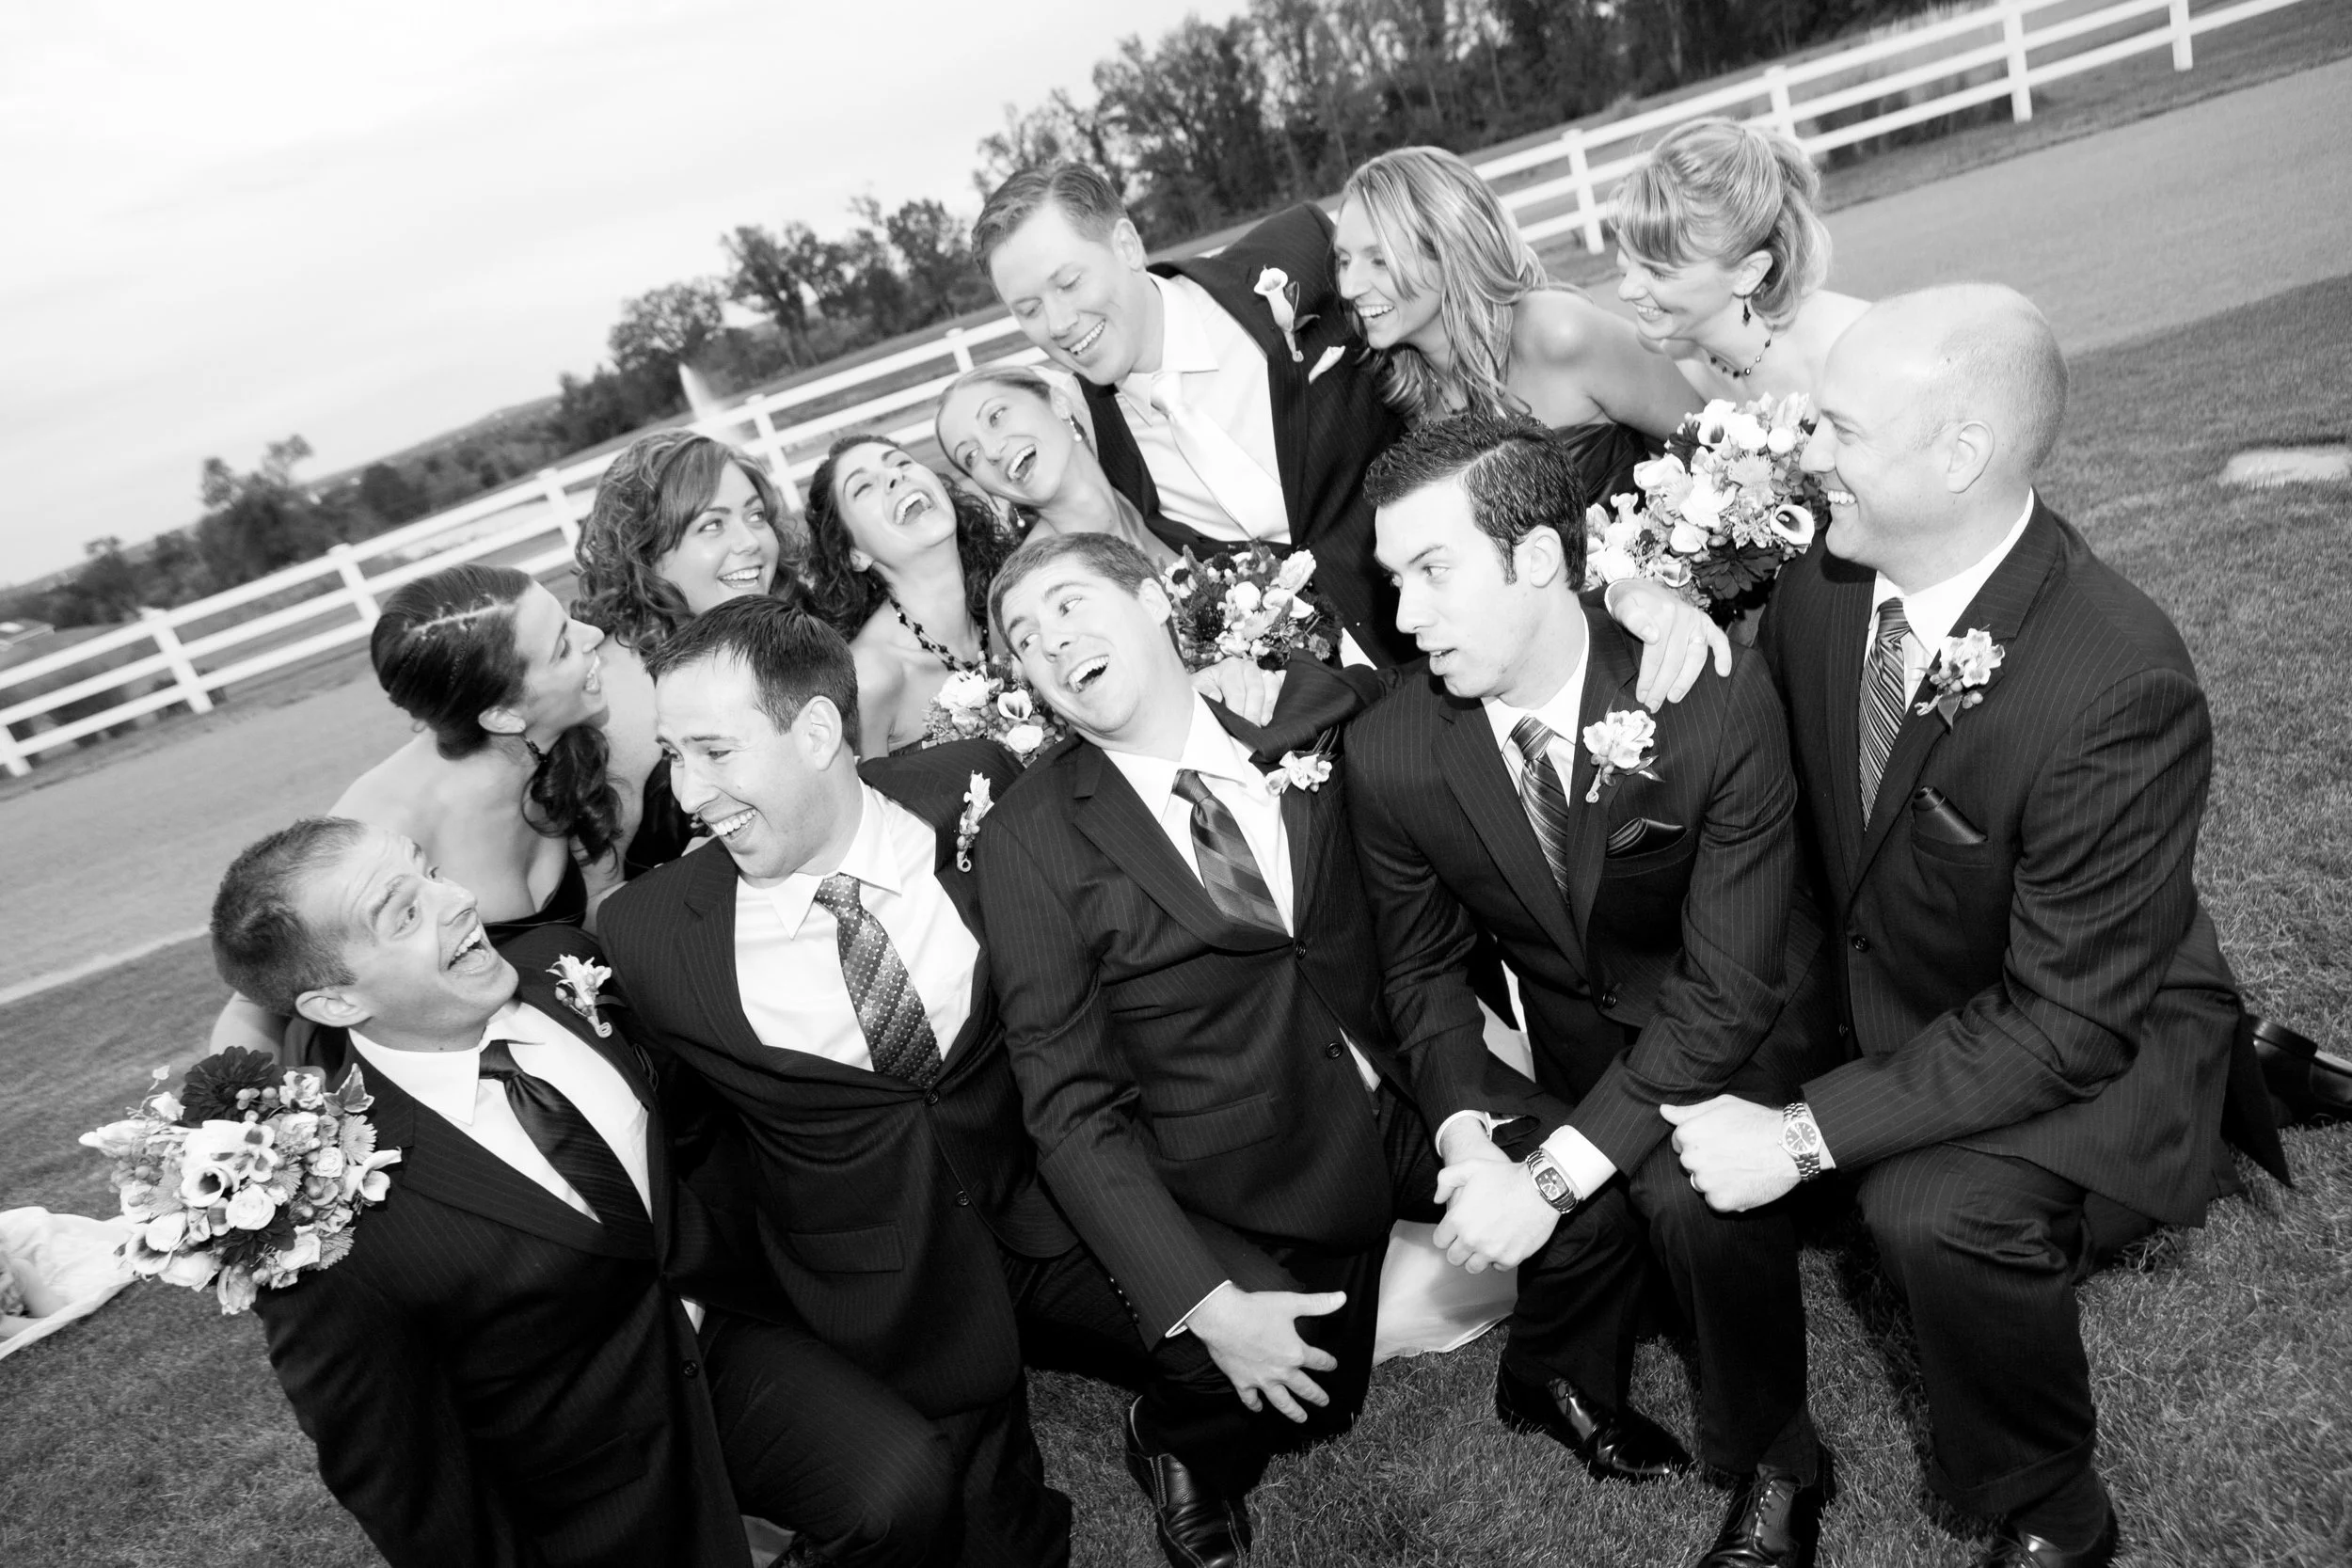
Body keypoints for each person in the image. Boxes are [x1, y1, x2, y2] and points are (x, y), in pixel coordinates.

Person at [1668, 285, 2282, 1568]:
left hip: (2089, 1022)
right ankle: (1769, 1456)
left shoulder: (2118, 679)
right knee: (1675, 1136)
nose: (1803, 453)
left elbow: (2064, 1022)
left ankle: (2052, 1506)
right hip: (1885, 977)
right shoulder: (1827, 587)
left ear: (1957, 456)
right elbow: (1787, 820)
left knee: (1931, 1208)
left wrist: (1800, 1131)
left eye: (1836, 428)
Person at [977, 531, 1655, 1568]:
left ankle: (1549, 1374)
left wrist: (1642, 604)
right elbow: (1069, 1111)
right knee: (1286, 1384)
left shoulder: (1304, 705)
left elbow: (1450, 683)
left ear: (1157, 599)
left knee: (1589, 1195)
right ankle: (1177, 1442)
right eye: (1024, 638)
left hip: (1407, 1082)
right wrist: (1205, 1303)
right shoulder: (1031, 836)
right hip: (1239, 1158)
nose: (1051, 642)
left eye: (1069, 605)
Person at [598, 599, 1201, 1568]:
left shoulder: (971, 783)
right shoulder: (646, 935)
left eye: (713, 749)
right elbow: (682, 1131)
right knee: (988, 1542)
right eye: (672, 753)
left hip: (1051, 1202)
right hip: (883, 1278)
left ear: (818, 730)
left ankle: (1174, 1438)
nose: (687, 789)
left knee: (1246, 1338)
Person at [1349, 417, 1839, 1568]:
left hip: (1747, 1013)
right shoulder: (1396, 752)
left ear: (1533, 559)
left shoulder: (1705, 694)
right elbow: (1420, 968)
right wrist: (1468, 1131)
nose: (1405, 617)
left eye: (1431, 572)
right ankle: (1555, 1379)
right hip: (1572, 1036)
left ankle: (1780, 1455)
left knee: (1679, 1191)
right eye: (1392, 580)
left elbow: (1723, 990)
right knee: (1559, 1157)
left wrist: (1554, 1175)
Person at [213, 817, 812, 1568]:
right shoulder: (328, 1208)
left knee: (907, 1494)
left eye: (431, 871)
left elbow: (695, 1123)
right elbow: (401, 1469)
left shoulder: (560, 963)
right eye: (404, 911)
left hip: (737, 1342)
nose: (457, 899)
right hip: (597, 1479)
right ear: (336, 1004)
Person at [977, 159, 1415, 667]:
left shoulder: (1299, 253)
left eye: (1069, 282)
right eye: (1028, 310)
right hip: (1334, 708)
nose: (1058, 323)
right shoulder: (1094, 441)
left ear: (1126, 245)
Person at [210, 563, 621, 1056]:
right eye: (562, 647)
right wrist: (274, 1122)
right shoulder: (378, 827)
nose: (593, 635)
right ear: (503, 715)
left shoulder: (557, 749)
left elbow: (597, 912)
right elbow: (250, 1009)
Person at [1332, 146, 1701, 510]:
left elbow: (1718, 447)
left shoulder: (1558, 334)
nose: (1349, 287)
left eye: (1379, 260)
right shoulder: (1405, 393)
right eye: (1344, 260)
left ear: (1449, 249)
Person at [572, 428, 805, 874]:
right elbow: (599, 901)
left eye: (756, 516)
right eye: (712, 525)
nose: (751, 542)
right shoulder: (619, 699)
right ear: (647, 551)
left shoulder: (777, 633)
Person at [1613, 119, 1868, 407]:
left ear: (1748, 274)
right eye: (1626, 251)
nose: (1626, 290)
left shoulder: (1851, 355)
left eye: (1658, 272)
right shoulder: (1671, 362)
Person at [799, 433, 1021, 757]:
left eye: (901, 463)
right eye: (863, 487)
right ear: (854, 553)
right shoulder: (869, 679)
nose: (893, 476)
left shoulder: (1011, 605)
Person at [933, 363, 1179, 569]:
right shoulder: (1032, 580)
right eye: (970, 456)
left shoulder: (1163, 488)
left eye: (995, 416)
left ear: (1058, 402)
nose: (991, 451)